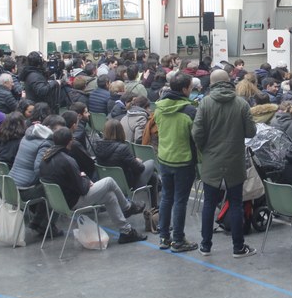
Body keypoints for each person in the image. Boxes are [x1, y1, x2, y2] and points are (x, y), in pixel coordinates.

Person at [39, 127, 146, 244]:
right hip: (74, 201)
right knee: (109, 181)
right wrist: (85, 178)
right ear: (70, 142)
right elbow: (83, 189)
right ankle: (127, 207)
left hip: (59, 202)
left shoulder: (45, 157)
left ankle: (126, 231)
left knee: (110, 196)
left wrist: (80, 178)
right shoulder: (67, 161)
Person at [191, 69, 257, 258]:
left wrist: (205, 149)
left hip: (211, 160)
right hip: (234, 160)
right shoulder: (241, 103)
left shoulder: (205, 103)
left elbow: (196, 133)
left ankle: (205, 246)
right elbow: (251, 132)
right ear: (229, 82)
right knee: (236, 204)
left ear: (212, 84)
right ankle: (238, 247)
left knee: (209, 204)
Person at [154, 72, 199, 253]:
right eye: (191, 87)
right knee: (180, 201)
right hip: (183, 160)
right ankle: (178, 240)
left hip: (165, 158)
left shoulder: (159, 108)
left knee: (166, 197)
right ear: (185, 89)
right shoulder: (190, 112)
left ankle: (164, 237)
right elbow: (197, 136)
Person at [94, 119, 156, 195]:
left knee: (153, 176)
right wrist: (138, 161)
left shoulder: (98, 146)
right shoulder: (123, 148)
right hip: (125, 185)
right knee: (151, 163)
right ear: (121, 132)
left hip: (105, 183)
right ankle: (156, 199)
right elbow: (140, 168)